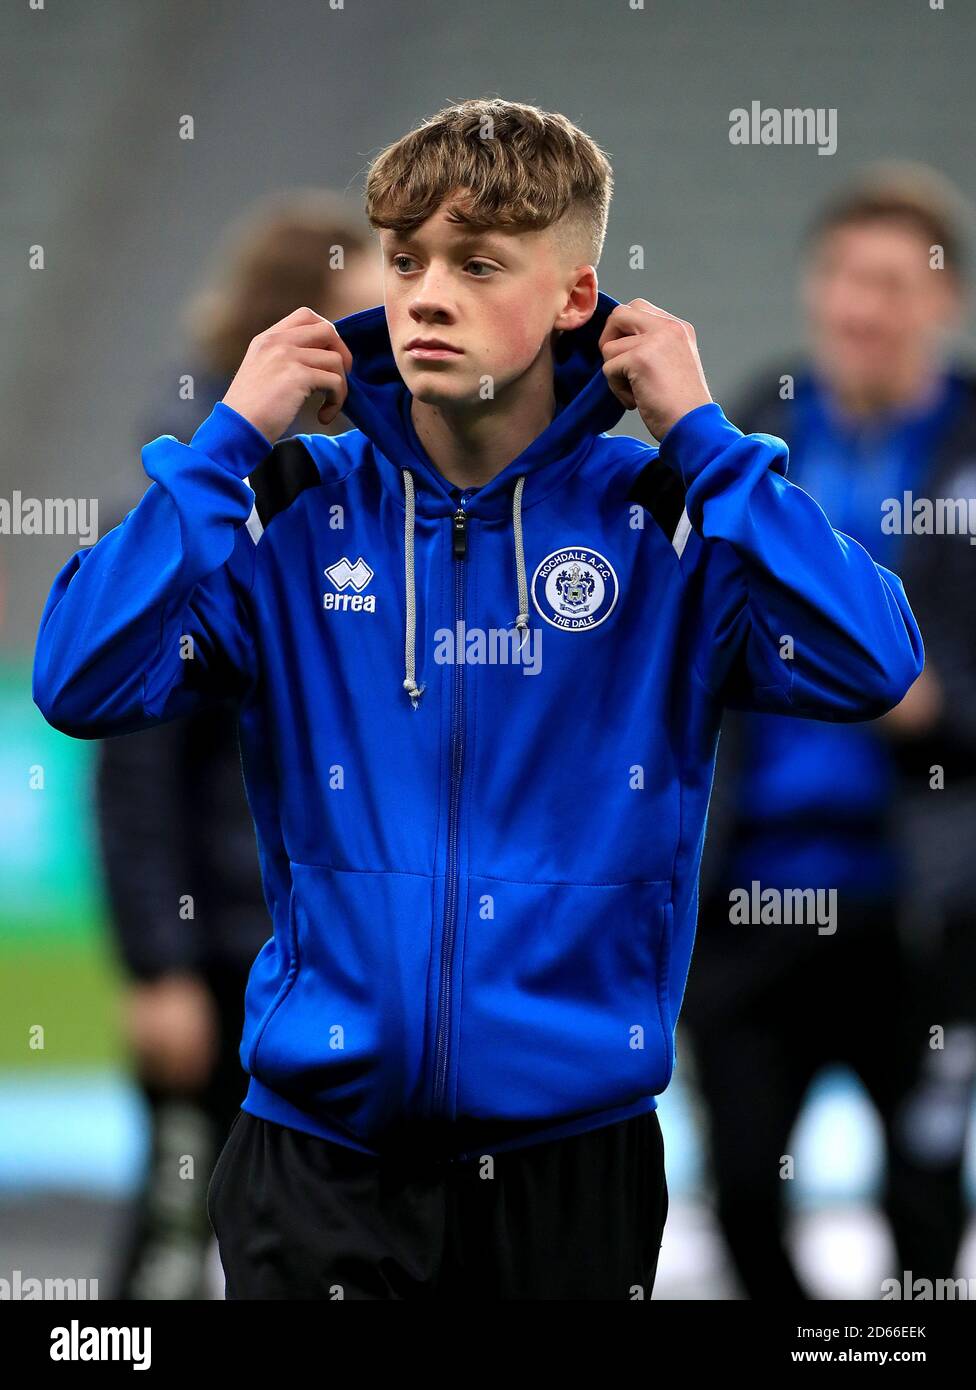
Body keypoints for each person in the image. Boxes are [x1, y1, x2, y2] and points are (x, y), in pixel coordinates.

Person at [33, 98, 924, 1301]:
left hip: (570, 1164)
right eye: (404, 260)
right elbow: (77, 680)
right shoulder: (290, 499)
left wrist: (709, 441)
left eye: (477, 262)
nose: (425, 294)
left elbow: (874, 662)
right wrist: (225, 440)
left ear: (573, 296)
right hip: (316, 1157)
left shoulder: (661, 518)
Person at [684, 164, 976, 1298]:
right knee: (745, 1196)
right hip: (751, 896)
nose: (864, 309)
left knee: (921, 1202)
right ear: (816, 290)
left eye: (893, 286)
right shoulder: (755, 428)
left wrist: (936, 706)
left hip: (926, 906)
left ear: (940, 301)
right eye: (847, 281)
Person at [95, 189, 382, 1299]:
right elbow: (136, 771)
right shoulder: (199, 527)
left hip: (317, 962)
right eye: (355, 315)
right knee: (174, 1236)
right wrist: (158, 965)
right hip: (218, 956)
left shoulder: (354, 518)